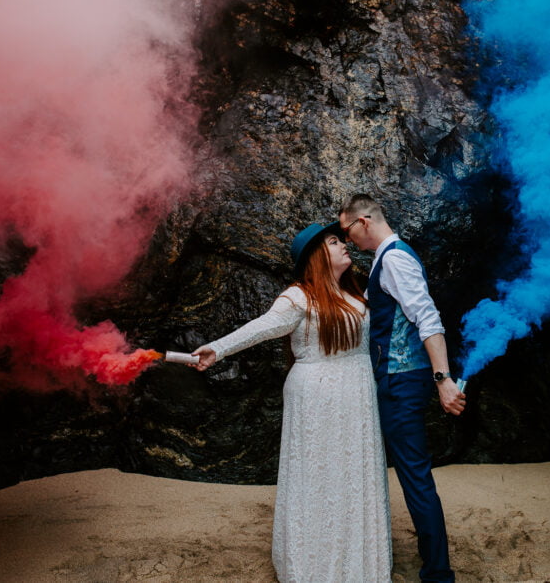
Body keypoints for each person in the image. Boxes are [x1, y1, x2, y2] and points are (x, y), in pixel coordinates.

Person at [183, 222, 391, 582]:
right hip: (316, 395)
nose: (344, 245)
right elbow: (261, 328)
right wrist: (217, 349)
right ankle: (313, 566)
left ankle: (357, 565)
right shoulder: (298, 296)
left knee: (354, 475)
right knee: (317, 477)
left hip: (357, 392)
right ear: (316, 255)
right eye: (334, 241)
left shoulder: (357, 293)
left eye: (342, 240)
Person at [338, 194, 465, 583]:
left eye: (346, 231)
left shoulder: (393, 258)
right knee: (411, 473)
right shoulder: (387, 258)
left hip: (401, 380)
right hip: (395, 379)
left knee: (414, 475)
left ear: (363, 221)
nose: (347, 241)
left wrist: (443, 380)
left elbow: (427, 318)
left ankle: (438, 575)